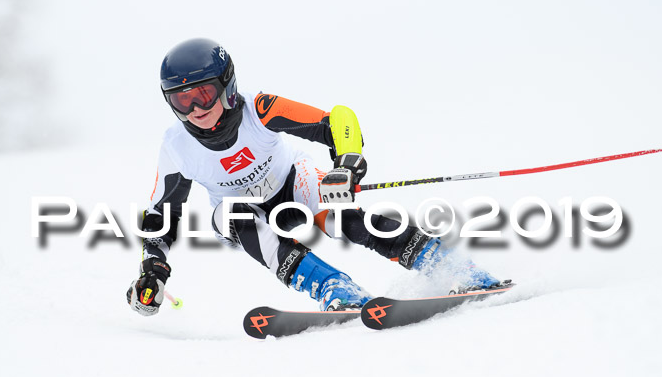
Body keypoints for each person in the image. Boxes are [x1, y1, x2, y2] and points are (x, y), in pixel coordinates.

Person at [127, 38, 502, 317]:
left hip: (292, 184)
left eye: (204, 94)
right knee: (230, 215)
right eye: (181, 100)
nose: (195, 109)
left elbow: (336, 120)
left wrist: (347, 163)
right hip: (242, 215)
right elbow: (161, 215)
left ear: (227, 85)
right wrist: (153, 268)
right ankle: (334, 287)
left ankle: (450, 266)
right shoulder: (176, 147)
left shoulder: (260, 109)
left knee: (345, 220)